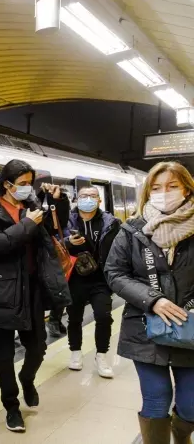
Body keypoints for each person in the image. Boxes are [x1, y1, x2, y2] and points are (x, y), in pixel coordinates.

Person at [0, 159, 70, 433]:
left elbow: (58, 228)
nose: (27, 189)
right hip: (1, 291)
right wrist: (26, 226)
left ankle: (27, 378)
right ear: (7, 185)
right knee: (4, 354)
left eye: (30, 184)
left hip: (32, 288)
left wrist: (57, 202)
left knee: (37, 346)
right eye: (22, 184)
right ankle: (11, 407)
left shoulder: (32, 206)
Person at [104, 161, 194, 444]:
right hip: (145, 330)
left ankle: (182, 436)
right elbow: (114, 273)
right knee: (156, 401)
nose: (163, 193)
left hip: (191, 329)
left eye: (172, 186)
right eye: (156, 188)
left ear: (187, 190)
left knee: (191, 406)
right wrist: (152, 300)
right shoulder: (132, 229)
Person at [63, 186, 119, 377]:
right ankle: (75, 353)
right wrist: (68, 242)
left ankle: (101, 356)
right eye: (84, 196)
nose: (88, 199)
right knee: (74, 318)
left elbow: (118, 249)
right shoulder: (67, 220)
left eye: (93, 196)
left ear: (99, 201)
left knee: (104, 316)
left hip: (100, 279)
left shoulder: (110, 222)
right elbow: (53, 243)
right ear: (77, 200)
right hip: (74, 279)